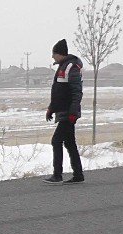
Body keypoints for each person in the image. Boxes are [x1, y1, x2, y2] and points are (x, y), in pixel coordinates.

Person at [43, 39, 85, 185]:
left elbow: (76, 92)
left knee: (56, 141)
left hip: (68, 112)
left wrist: (73, 112)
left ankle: (57, 175)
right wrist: (51, 109)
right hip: (63, 111)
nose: (52, 57)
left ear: (59, 54)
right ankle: (78, 174)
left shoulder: (70, 67)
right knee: (69, 143)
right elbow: (58, 92)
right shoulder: (63, 67)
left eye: (54, 54)